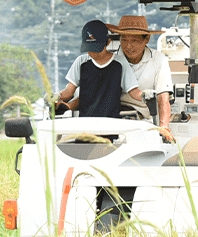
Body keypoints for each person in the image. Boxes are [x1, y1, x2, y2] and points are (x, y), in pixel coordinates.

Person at [56, 19, 143, 118]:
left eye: (96, 49)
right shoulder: (81, 62)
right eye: (89, 49)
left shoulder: (119, 63)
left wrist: (145, 96)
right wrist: (57, 96)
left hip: (111, 121)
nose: (92, 53)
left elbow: (133, 91)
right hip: (85, 121)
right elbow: (69, 91)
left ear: (108, 42)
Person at [109, 15, 176, 143]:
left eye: (134, 41)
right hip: (114, 119)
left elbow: (163, 96)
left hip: (146, 121)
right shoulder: (111, 59)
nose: (128, 46)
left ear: (147, 39)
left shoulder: (158, 60)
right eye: (124, 40)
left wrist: (164, 127)